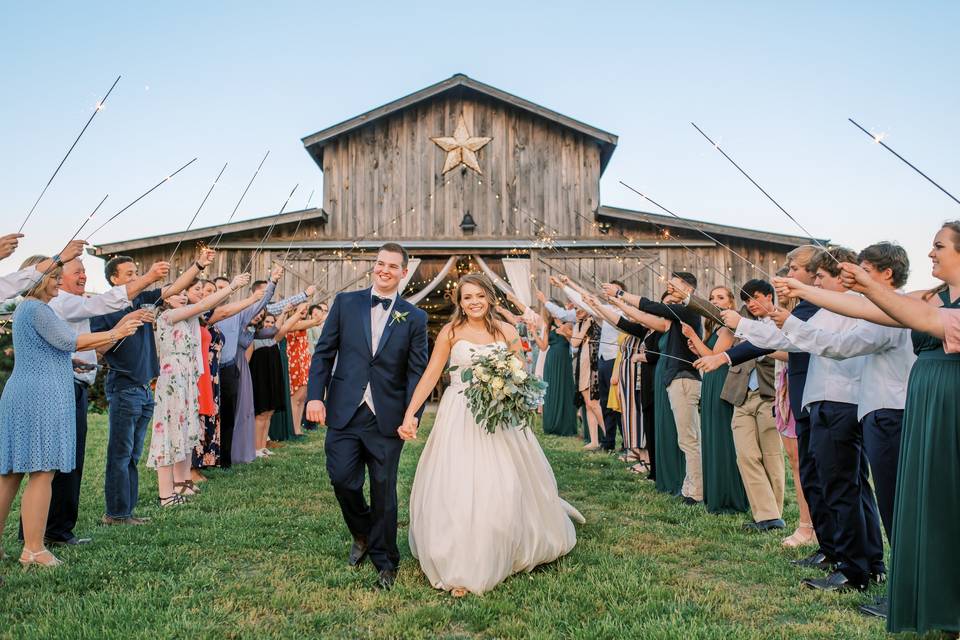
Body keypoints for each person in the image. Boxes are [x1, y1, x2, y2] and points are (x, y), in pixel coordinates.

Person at [402, 273, 584, 596]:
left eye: (479, 296)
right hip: (458, 414)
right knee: (457, 485)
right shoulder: (451, 332)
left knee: (502, 483)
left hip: (499, 418)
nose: (473, 302)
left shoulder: (507, 331)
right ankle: (458, 560)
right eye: (467, 297)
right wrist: (410, 414)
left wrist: (510, 393)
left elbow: (521, 375)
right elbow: (431, 375)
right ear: (459, 302)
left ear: (489, 298)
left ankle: (503, 543)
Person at [718, 248, 885, 592]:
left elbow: (824, 344)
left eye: (821, 277)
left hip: (841, 401)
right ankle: (860, 559)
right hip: (823, 401)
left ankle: (856, 567)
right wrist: (752, 324)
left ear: (841, 276)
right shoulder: (828, 309)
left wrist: (768, 319)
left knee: (843, 486)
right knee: (839, 484)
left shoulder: (853, 306)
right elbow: (788, 339)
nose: (817, 283)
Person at [699, 246, 838, 574]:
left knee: (824, 474)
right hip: (791, 396)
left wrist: (738, 334)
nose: (787, 275)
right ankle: (826, 544)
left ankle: (839, 548)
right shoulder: (803, 307)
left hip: (804, 395)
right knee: (809, 471)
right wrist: (724, 357)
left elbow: (783, 341)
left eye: (794, 269)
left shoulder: (812, 307)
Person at [0, 257, 142, 568]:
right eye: (53, 276)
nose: (57, 281)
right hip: (40, 396)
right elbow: (70, 341)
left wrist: (69, 362)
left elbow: (48, 350)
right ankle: (34, 549)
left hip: (24, 391)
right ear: (38, 279)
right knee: (41, 472)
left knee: (10, 474)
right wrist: (117, 332)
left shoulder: (25, 310)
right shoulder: (37, 308)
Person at [305, 243, 428, 591]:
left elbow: (417, 372)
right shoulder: (347, 303)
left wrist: (412, 414)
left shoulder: (414, 317)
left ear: (404, 272)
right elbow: (324, 352)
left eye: (392, 266)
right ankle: (362, 533)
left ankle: (386, 563)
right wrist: (316, 395)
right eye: (379, 264)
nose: (384, 270)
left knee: (384, 490)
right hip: (345, 411)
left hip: (387, 418)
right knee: (343, 480)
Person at [33, 254, 169, 547]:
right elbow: (79, 331)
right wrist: (123, 324)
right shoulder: (63, 303)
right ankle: (51, 532)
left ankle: (56, 530)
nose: (82, 276)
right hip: (64, 387)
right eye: (73, 272)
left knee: (71, 461)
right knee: (59, 463)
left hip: (75, 382)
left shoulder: (68, 304)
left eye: (83, 271)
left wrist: (73, 361)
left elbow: (65, 345)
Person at [90, 249, 216, 526]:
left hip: (145, 387)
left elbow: (175, 287)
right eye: (130, 274)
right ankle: (116, 513)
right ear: (114, 279)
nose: (137, 277)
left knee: (133, 454)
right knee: (120, 454)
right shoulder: (104, 307)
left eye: (137, 273)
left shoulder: (144, 299)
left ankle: (127, 511)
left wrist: (197, 266)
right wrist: (126, 323)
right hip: (123, 386)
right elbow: (100, 348)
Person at [148, 273, 250, 505]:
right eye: (177, 293)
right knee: (169, 434)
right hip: (172, 380)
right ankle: (166, 495)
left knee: (186, 431)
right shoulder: (167, 316)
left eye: (184, 293)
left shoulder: (187, 320)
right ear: (165, 299)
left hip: (187, 379)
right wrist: (232, 286)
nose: (183, 297)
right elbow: (205, 304)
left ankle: (181, 483)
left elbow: (207, 311)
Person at [605, 275, 703, 504]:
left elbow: (649, 306)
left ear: (688, 288)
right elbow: (641, 317)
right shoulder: (674, 319)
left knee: (689, 439)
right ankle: (690, 487)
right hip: (674, 379)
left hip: (684, 378)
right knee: (685, 438)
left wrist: (620, 294)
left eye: (675, 283)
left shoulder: (689, 309)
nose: (669, 286)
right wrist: (617, 303)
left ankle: (696, 492)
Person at [681, 285, 750, 516]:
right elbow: (706, 356)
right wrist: (696, 346)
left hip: (722, 382)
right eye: (712, 298)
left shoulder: (729, 328)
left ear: (730, 303)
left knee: (723, 436)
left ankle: (729, 495)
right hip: (710, 382)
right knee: (710, 434)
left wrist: (692, 336)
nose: (716, 301)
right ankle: (715, 492)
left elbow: (715, 357)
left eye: (721, 297)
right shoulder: (715, 329)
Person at [213, 266, 281, 468]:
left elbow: (267, 317)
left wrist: (273, 283)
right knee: (218, 415)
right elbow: (257, 304)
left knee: (232, 413)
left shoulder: (242, 320)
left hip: (232, 368)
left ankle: (227, 456)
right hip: (215, 368)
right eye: (217, 288)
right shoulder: (214, 313)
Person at [534, 294, 577, 436]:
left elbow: (575, 341)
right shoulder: (547, 326)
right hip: (551, 360)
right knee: (551, 391)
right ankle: (551, 425)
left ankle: (565, 426)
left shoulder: (568, 323)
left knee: (565, 389)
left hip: (564, 359)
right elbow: (543, 347)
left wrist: (562, 329)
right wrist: (534, 333)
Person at [0, 239, 85, 300]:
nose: (60, 282)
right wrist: (60, 258)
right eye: (54, 277)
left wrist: (59, 258)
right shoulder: (34, 307)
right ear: (40, 281)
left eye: (59, 277)